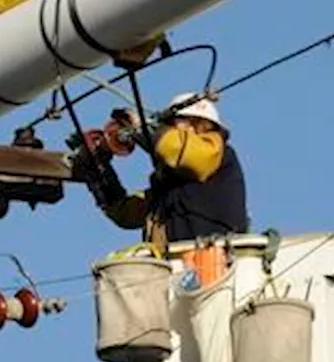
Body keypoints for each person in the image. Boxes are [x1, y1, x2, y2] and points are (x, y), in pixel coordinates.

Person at [97, 92, 249, 251]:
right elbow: (126, 213)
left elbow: (188, 153)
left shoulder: (219, 155)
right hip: (174, 267)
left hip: (213, 261)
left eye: (176, 123)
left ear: (200, 126)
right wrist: (97, 169)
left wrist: (142, 130)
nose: (172, 130)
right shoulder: (171, 185)